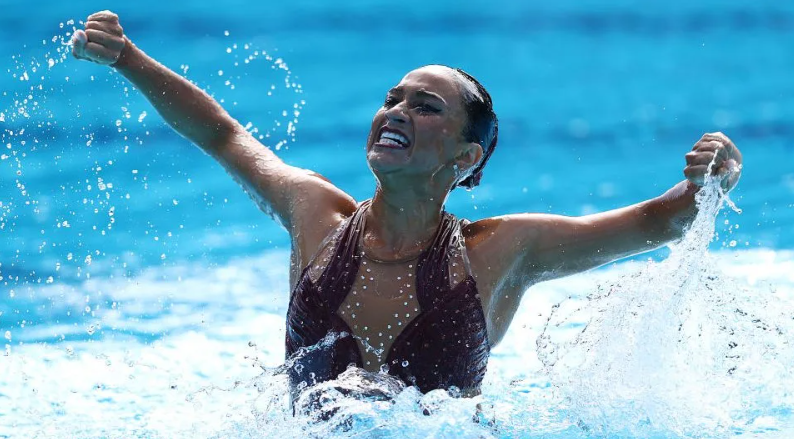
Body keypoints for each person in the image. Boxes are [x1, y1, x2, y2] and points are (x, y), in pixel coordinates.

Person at [71, 11, 743, 401]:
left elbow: (662, 221)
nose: (395, 112)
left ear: (465, 157)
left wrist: (715, 177)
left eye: (425, 107)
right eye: (392, 99)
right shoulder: (315, 214)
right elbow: (223, 134)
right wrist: (129, 59)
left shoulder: (500, 251)